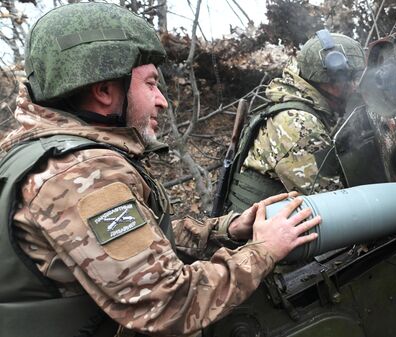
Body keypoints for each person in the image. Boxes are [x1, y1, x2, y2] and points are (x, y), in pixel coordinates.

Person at [0, 3, 320, 337]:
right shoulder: (80, 176)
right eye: (151, 84)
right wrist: (264, 250)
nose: (162, 100)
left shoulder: (43, 153)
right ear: (106, 91)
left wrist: (227, 229)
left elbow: (132, 241)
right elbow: (168, 303)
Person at [224, 30, 367, 213]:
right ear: (328, 81)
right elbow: (337, 208)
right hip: (257, 237)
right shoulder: (299, 125)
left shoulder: (295, 104)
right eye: (349, 79)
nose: (354, 87)